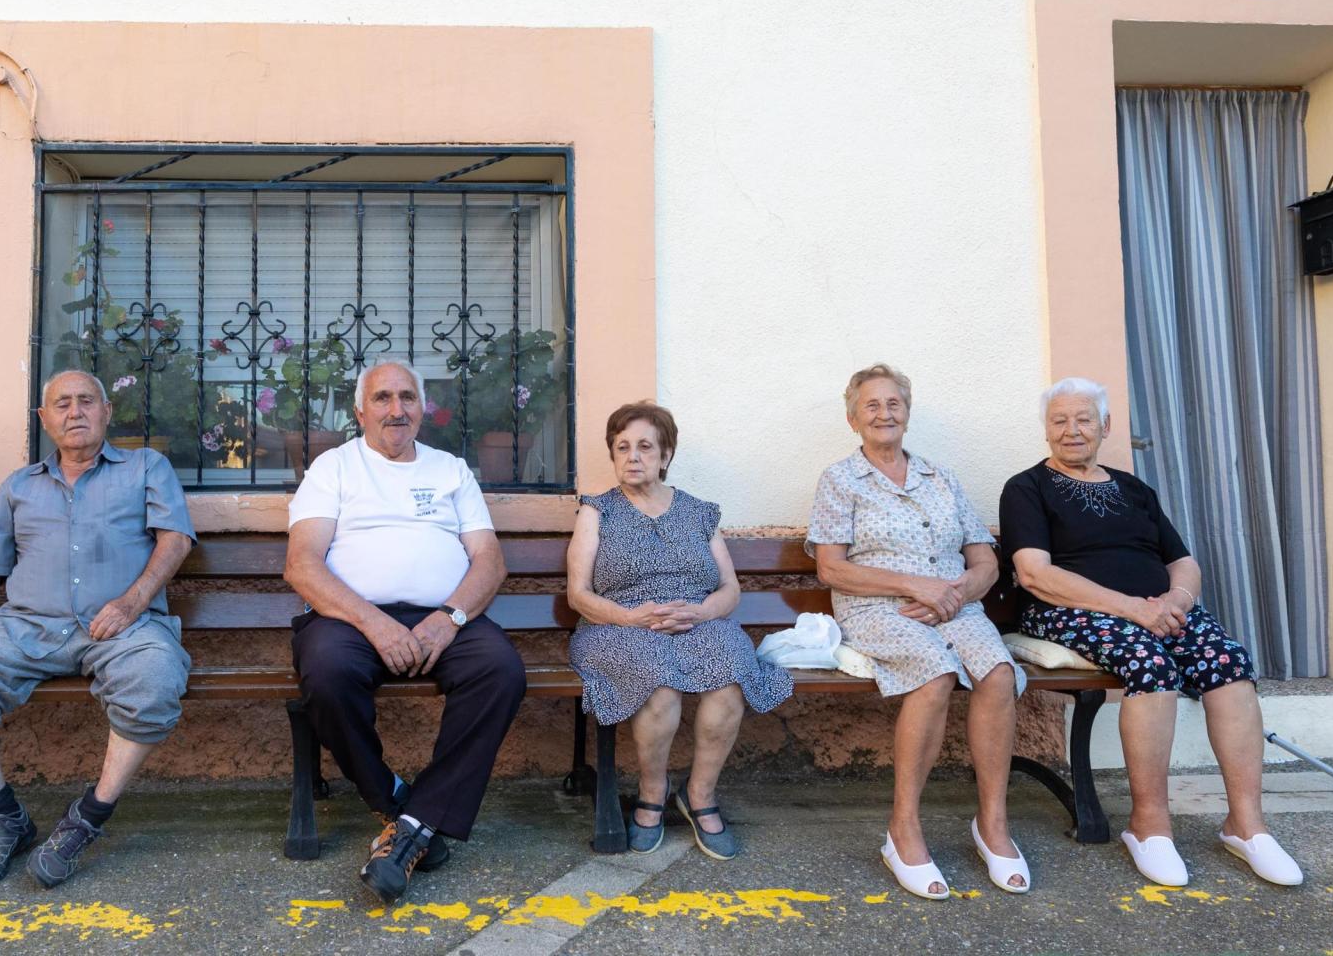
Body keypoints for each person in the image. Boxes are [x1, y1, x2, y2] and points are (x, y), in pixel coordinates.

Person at [1000, 377, 1302, 888]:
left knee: (1228, 662)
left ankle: (1246, 825)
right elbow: (1034, 574)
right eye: (1059, 421)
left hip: (1156, 609)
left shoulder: (1134, 489)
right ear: (1046, 430)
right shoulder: (1027, 488)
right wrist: (1132, 610)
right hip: (1067, 610)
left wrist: (1176, 601)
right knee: (1150, 662)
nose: (1072, 430)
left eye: (1084, 419)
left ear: (1106, 427)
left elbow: (1182, 561)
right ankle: (1149, 824)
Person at [0, 369, 197, 888]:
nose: (75, 412)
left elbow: (175, 541)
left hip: (122, 627)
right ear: (44, 420)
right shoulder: (18, 486)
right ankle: (5, 817)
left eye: (86, 401)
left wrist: (131, 602)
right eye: (62, 404)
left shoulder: (145, 467)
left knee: (155, 681)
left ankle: (89, 817)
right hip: (25, 626)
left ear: (107, 412)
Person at [282, 359, 524, 904]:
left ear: (422, 406)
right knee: (326, 672)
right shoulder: (333, 469)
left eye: (408, 398)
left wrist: (450, 618)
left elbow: (488, 562)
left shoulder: (450, 470)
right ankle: (397, 802)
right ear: (360, 409)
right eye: (384, 398)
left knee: (500, 671)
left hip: (445, 616)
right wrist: (375, 624)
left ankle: (411, 824)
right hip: (351, 617)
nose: (397, 410)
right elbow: (302, 565)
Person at [808, 364, 1029, 899]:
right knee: (934, 673)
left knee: (998, 674)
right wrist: (917, 586)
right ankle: (903, 828)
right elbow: (831, 569)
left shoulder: (941, 476)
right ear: (853, 418)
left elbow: (984, 561)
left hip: (953, 607)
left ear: (907, 412)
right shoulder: (840, 479)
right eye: (871, 405)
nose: (884, 413)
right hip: (876, 608)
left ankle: (992, 825)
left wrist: (952, 593)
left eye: (893, 404)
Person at [566, 402, 792, 859]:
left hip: (696, 621)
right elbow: (578, 595)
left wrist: (701, 612)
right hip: (617, 625)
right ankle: (653, 793)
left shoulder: (698, 512)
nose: (633, 456)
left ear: (665, 455)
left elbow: (730, 588)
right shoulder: (596, 511)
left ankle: (700, 795)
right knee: (659, 682)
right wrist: (633, 617)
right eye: (622, 447)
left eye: (644, 447)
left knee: (730, 670)